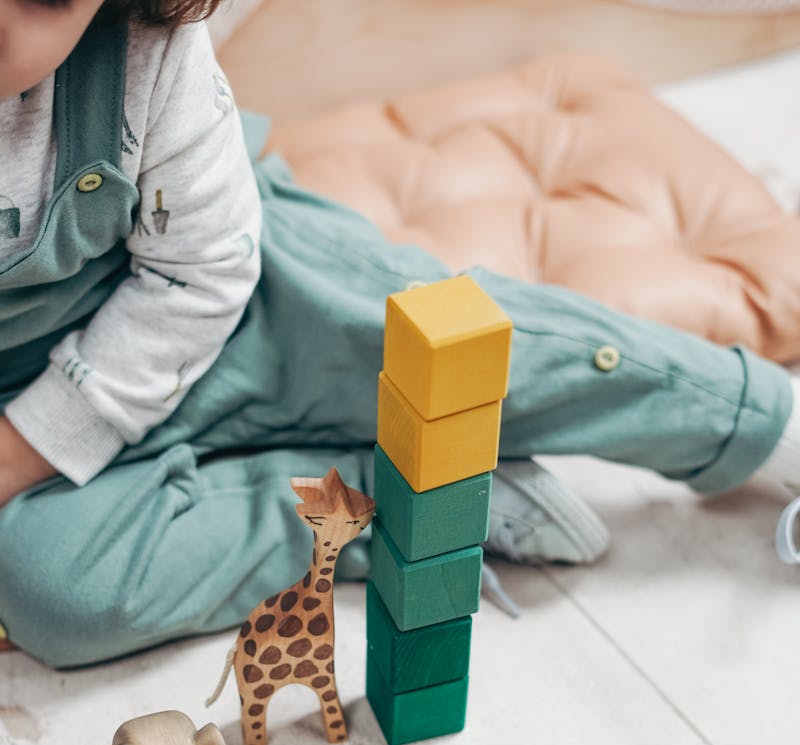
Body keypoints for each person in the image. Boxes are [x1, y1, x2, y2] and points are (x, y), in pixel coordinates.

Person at [0, 0, 797, 669]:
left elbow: (201, 274)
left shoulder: (147, 53)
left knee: (453, 346)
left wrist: (21, 448)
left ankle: (750, 414)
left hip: (240, 298)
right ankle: (415, 504)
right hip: (29, 397)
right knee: (59, 593)